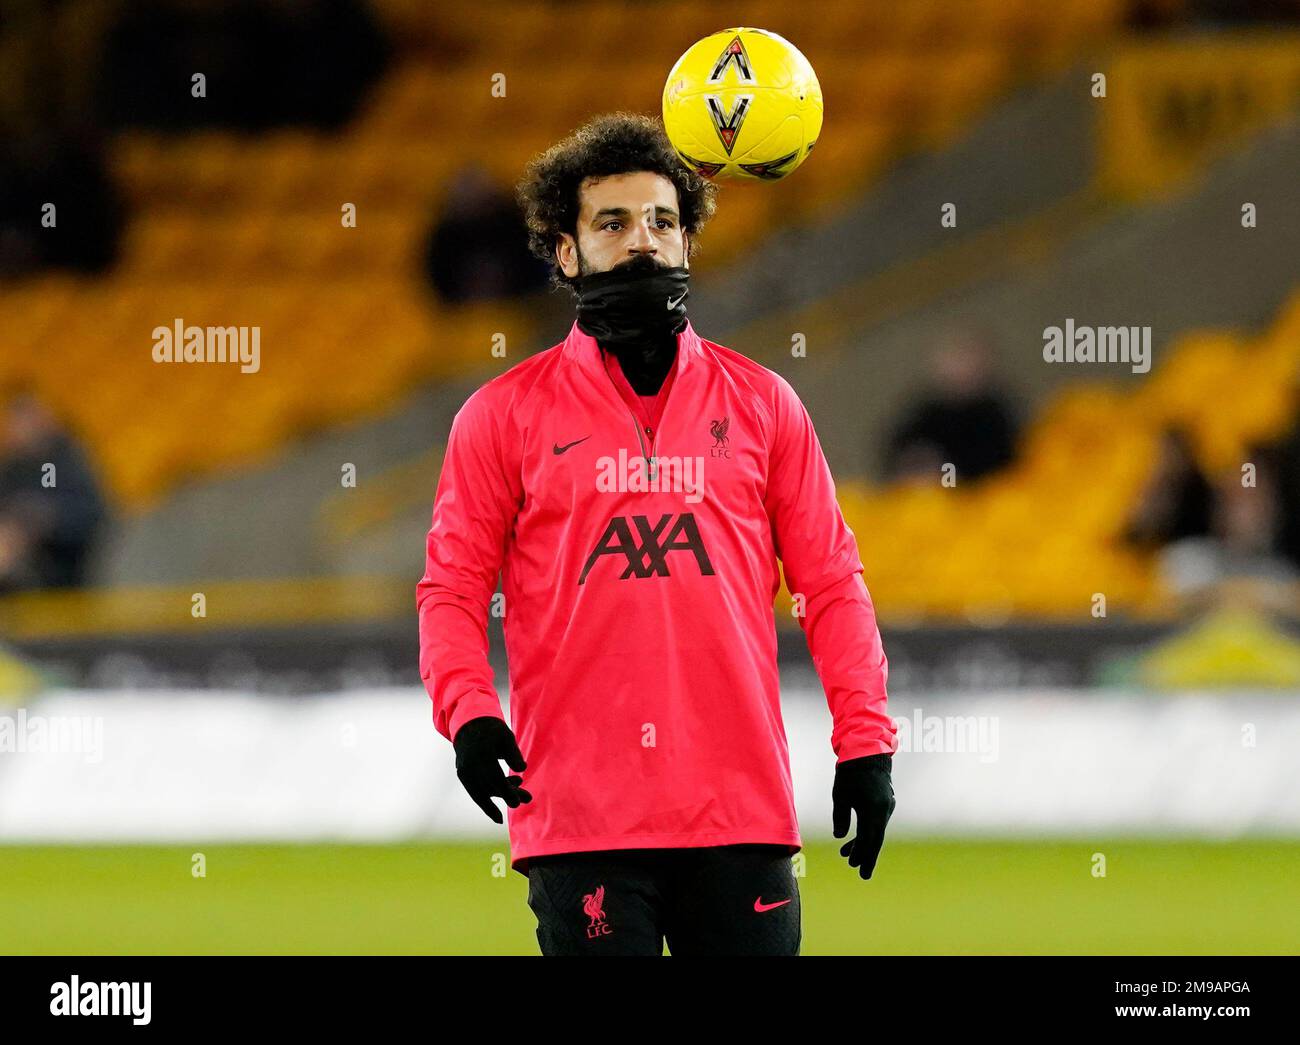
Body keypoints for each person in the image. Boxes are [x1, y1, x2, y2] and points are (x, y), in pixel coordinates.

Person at [416, 113, 897, 956]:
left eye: (662, 222)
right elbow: (452, 589)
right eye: (613, 223)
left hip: (738, 809)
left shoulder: (765, 404)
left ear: (687, 243)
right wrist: (468, 713)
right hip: (579, 818)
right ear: (564, 251)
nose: (642, 242)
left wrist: (864, 741)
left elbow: (832, 583)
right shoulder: (500, 417)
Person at [0, 390, 107, 592]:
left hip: (63, 573)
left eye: (26, 418)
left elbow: (91, 513)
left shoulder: (61, 462)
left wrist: (47, 517)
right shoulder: (13, 467)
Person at [883, 331, 1019, 484]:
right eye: (956, 358)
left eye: (969, 357)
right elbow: (902, 459)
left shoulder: (998, 412)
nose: (963, 367)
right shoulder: (922, 416)